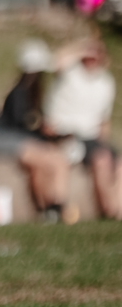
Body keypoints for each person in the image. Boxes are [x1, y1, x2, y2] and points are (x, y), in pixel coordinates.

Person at [39, 38, 121, 220]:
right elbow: (55, 61)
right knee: (98, 160)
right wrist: (80, 48)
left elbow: (103, 119)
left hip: (90, 137)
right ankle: (62, 211)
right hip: (65, 132)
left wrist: (104, 141)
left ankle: (114, 210)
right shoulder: (70, 73)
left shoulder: (105, 82)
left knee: (114, 162)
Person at [0, 40, 72, 221]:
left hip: (18, 140)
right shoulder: (20, 93)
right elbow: (24, 124)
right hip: (8, 140)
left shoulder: (28, 92)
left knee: (39, 168)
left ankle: (45, 211)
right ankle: (58, 207)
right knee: (58, 161)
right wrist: (46, 132)